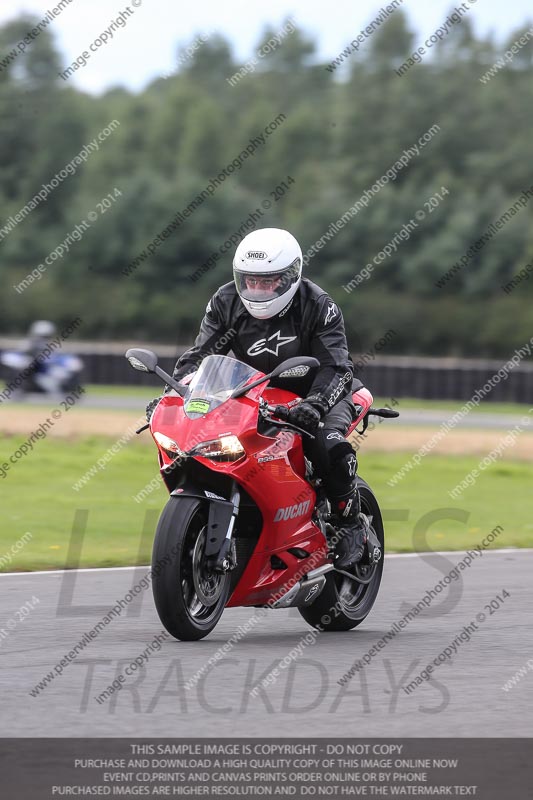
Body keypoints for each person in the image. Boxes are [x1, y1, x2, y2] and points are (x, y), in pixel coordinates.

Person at [146, 228, 370, 569]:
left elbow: (336, 366)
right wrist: (173, 396)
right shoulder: (225, 301)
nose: (258, 289)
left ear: (291, 276)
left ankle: (349, 520)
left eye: (268, 282)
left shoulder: (318, 306)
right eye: (250, 280)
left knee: (328, 443)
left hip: (320, 390)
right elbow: (199, 357)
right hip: (254, 391)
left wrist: (315, 405)